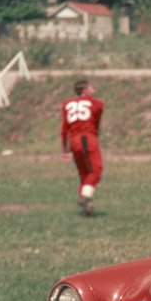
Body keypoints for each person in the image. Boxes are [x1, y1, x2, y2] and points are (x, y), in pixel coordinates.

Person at [60, 79, 104, 217]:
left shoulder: (67, 104)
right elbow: (96, 123)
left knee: (84, 175)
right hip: (87, 138)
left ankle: (87, 206)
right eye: (91, 87)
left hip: (73, 140)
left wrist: (65, 150)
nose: (93, 88)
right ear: (85, 90)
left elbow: (64, 129)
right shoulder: (97, 103)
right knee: (96, 171)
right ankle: (85, 197)